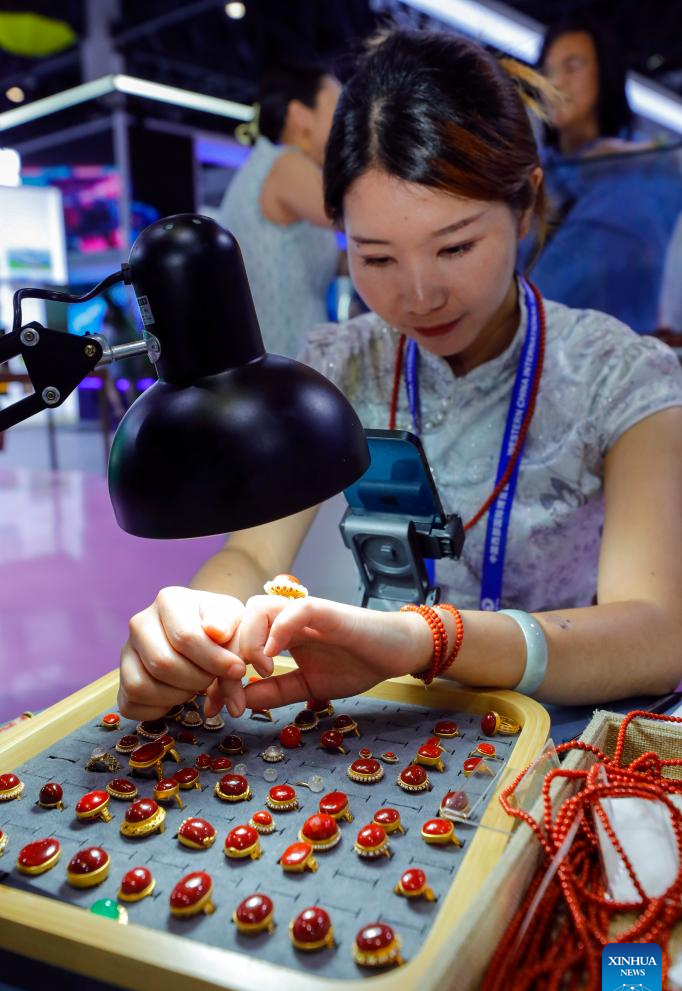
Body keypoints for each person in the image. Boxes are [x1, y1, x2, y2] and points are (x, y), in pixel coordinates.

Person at [117, 29, 682, 723]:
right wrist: (196, 625)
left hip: (556, 744)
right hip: (385, 740)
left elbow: (657, 632)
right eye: (377, 257)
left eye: (456, 246)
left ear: (526, 204)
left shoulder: (619, 374)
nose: (419, 296)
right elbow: (253, 557)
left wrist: (430, 639)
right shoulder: (340, 363)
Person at [525, 14, 682, 333]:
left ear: (605, 73)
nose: (556, 82)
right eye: (547, 71)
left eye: (572, 66)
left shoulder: (649, 169)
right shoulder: (529, 173)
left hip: (613, 347)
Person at [217, 64, 342, 359]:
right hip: (287, 360)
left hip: (275, 359)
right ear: (300, 115)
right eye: (338, 109)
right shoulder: (286, 164)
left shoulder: (264, 164)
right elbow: (361, 216)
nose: (347, 122)